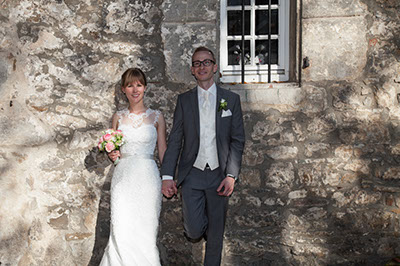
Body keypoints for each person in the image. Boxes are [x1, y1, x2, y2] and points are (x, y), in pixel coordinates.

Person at [161, 46, 245, 265]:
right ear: (192, 69)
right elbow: (176, 140)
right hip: (192, 175)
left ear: (215, 67)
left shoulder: (231, 99)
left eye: (206, 62)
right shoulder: (184, 101)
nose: (202, 67)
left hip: (220, 175)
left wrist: (231, 175)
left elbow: (238, 140)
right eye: (197, 63)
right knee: (194, 229)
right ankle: (207, 221)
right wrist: (167, 175)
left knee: (216, 237)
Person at [100, 68, 167, 265]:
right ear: (123, 89)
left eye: (138, 84)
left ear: (145, 88)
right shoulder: (118, 117)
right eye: (130, 85)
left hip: (148, 177)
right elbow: (113, 148)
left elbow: (163, 150)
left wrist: (169, 177)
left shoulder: (157, 117)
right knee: (121, 226)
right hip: (124, 178)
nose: (134, 89)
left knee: (146, 230)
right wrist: (113, 153)